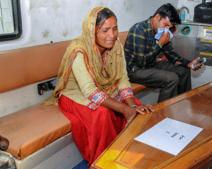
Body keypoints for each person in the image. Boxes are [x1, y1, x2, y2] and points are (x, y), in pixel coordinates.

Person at [53, 7, 153, 166]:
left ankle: (130, 154)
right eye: (105, 30)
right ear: (92, 31)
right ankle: (104, 162)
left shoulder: (116, 45)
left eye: (115, 29)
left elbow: (122, 78)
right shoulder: (79, 50)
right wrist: (125, 109)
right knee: (103, 114)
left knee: (139, 109)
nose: (112, 35)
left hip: (104, 87)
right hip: (75, 94)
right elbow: (89, 91)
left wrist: (132, 105)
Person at [124, 3, 202, 102]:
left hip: (151, 64)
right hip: (135, 70)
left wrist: (188, 63)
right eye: (165, 25)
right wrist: (160, 43)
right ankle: (162, 113)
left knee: (184, 71)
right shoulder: (139, 29)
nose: (166, 30)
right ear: (157, 17)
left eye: (169, 28)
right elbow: (141, 62)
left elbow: (171, 54)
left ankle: (182, 104)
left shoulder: (160, 32)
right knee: (172, 79)